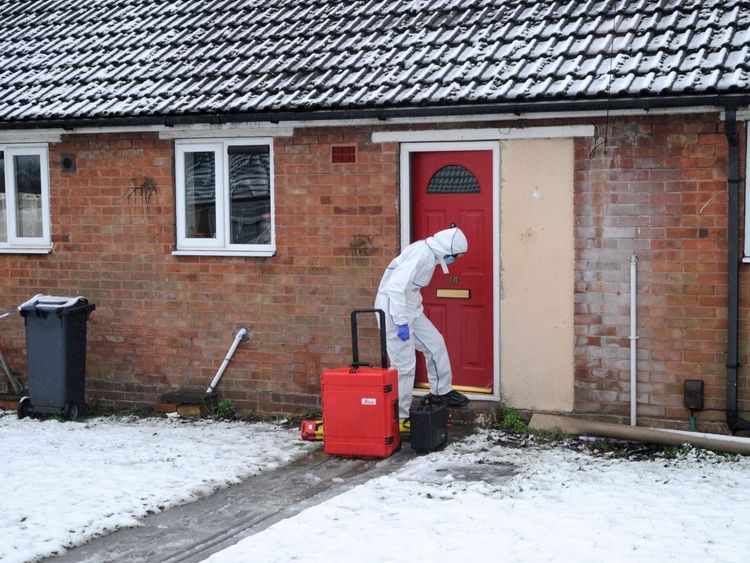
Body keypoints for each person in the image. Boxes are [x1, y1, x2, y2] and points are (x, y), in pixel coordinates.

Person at [374, 227, 470, 431]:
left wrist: (412, 313)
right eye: (456, 256)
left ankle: (440, 391)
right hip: (393, 311)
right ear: (447, 250)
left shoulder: (431, 254)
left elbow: (410, 289)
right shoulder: (421, 255)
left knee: (435, 343)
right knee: (404, 366)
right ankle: (398, 417)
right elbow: (395, 289)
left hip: (411, 310)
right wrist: (400, 322)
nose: (455, 260)